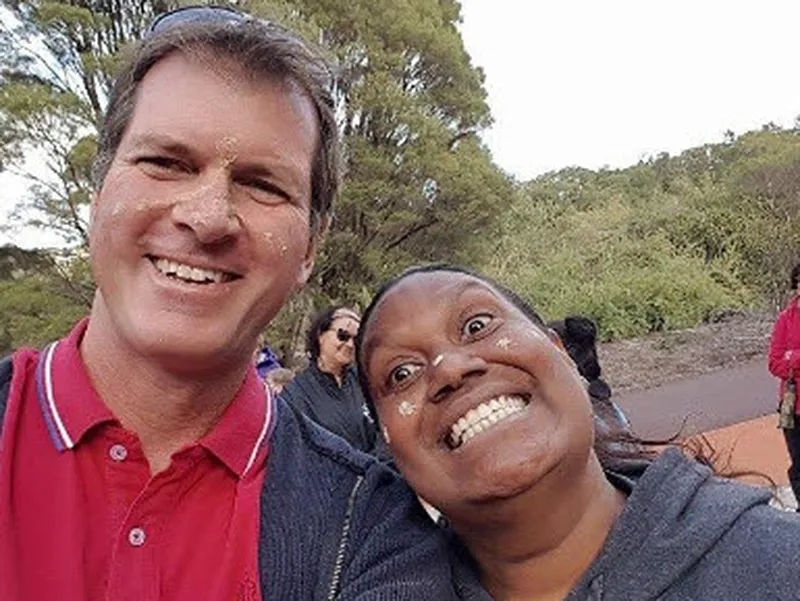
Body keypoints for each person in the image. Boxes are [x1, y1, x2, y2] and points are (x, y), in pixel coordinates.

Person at [0, 7, 456, 600]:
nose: (209, 217)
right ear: (98, 192)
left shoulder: (373, 530)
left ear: (310, 248)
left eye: (263, 185)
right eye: (165, 162)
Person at [356, 264, 800, 601]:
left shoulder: (779, 565)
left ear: (562, 353)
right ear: (388, 444)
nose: (450, 369)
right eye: (401, 373)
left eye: (477, 326)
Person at [281, 306, 379, 453]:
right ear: (321, 335)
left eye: (357, 339)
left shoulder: (366, 380)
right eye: (343, 335)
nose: (350, 344)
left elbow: (385, 428)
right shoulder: (296, 394)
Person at [769, 262, 800, 509]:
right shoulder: (785, 320)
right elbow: (775, 364)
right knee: (798, 463)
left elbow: (785, 361)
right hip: (792, 405)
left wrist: (792, 357)